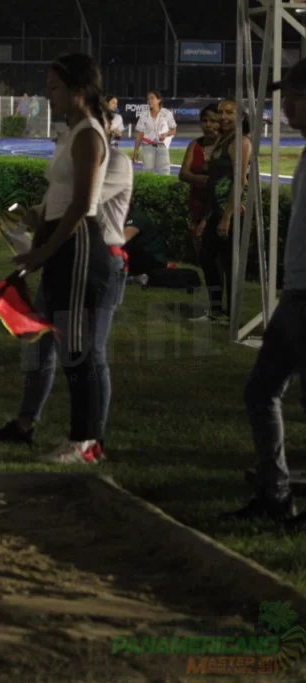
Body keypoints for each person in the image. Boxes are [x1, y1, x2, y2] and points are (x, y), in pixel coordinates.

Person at [0, 53, 115, 464]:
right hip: (63, 246)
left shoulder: (88, 134)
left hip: (77, 248)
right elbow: (60, 198)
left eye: (54, 87)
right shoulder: (73, 132)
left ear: (79, 91)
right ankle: (30, 425)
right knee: (46, 345)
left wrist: (45, 250)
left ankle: (85, 441)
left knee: (76, 350)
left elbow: (81, 204)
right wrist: (34, 219)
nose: (49, 95)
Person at [0, 144, 131, 459]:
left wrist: (43, 223)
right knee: (41, 349)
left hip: (98, 264)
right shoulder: (75, 164)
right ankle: (25, 424)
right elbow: (51, 208)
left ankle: (92, 439)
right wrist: (28, 217)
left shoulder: (116, 162)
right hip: (65, 261)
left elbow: (78, 207)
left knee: (91, 354)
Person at [226, 59, 306, 525]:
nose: (286, 105)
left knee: (265, 391)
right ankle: (274, 495)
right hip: (296, 297)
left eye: (294, 95)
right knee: (260, 391)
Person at [195, 98, 252, 323]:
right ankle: (217, 311)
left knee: (229, 265)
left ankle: (232, 315)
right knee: (207, 257)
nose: (224, 117)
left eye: (230, 112)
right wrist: (207, 218)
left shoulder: (241, 141)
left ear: (241, 116)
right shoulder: (223, 139)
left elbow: (240, 180)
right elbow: (215, 181)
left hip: (233, 213)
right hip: (217, 212)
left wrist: (227, 217)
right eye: (221, 112)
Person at [178, 104, 220, 258]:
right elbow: (183, 174)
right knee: (200, 250)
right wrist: (204, 179)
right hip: (197, 204)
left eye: (213, 121)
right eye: (205, 121)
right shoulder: (194, 145)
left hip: (217, 207)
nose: (208, 125)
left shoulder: (227, 146)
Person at [133, 90, 177, 175]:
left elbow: (174, 130)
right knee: (147, 173)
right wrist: (135, 152)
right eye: (148, 99)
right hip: (148, 146)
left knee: (164, 172)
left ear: (159, 100)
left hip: (162, 146)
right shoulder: (144, 115)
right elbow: (140, 135)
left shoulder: (167, 113)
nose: (149, 100)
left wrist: (166, 134)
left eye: (152, 98)